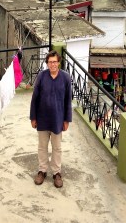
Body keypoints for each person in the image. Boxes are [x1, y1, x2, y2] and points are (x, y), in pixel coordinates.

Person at [30, 50, 73, 188]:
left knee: (57, 148)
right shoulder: (42, 76)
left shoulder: (65, 78)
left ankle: (56, 173)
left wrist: (67, 120)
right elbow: (34, 98)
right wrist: (33, 117)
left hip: (58, 119)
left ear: (59, 62)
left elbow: (68, 101)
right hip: (42, 118)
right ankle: (42, 171)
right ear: (47, 63)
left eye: (55, 62)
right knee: (42, 147)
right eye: (50, 62)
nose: (53, 64)